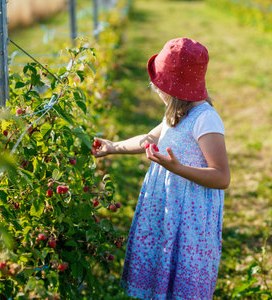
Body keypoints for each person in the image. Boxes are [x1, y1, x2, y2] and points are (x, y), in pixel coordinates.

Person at [92, 37, 230, 300]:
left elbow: (222, 176)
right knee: (161, 269)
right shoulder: (176, 113)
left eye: (160, 83)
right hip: (167, 210)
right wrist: (113, 147)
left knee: (183, 273)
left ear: (173, 87)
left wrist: (177, 168)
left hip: (190, 218)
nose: (155, 88)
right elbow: (149, 139)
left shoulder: (206, 119)